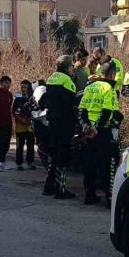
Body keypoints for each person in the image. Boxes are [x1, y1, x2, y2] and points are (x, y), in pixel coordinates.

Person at [79, 62, 123, 206]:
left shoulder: (89, 87)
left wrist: (87, 127)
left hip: (88, 132)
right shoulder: (109, 88)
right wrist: (96, 128)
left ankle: (89, 195)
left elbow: (82, 110)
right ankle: (109, 197)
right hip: (103, 131)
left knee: (90, 164)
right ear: (112, 74)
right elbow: (107, 111)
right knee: (107, 164)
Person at [43, 55, 78, 199]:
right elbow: (71, 101)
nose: (73, 69)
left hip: (52, 122)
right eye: (72, 66)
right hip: (64, 123)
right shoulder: (67, 80)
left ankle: (49, 186)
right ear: (68, 67)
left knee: (54, 155)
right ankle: (61, 189)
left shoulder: (52, 78)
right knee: (63, 156)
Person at [13, 80, 37, 170]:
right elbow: (14, 112)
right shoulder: (18, 99)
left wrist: (30, 120)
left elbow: (36, 111)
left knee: (30, 146)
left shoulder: (32, 100)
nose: (23, 89)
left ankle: (30, 162)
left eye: (25, 87)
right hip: (20, 127)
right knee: (20, 146)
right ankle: (19, 163)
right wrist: (22, 120)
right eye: (22, 87)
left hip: (30, 127)